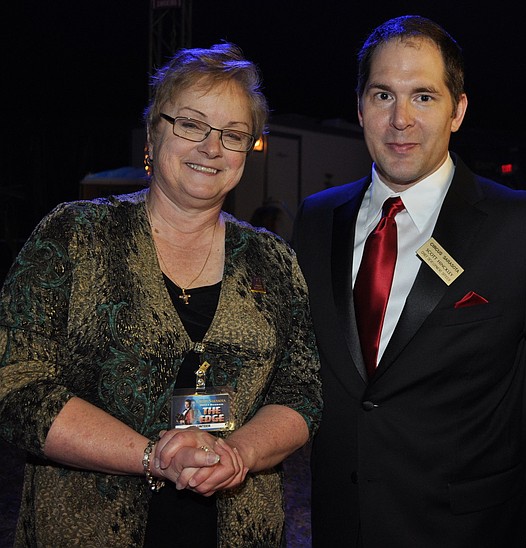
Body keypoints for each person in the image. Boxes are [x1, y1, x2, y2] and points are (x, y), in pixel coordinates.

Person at [0, 42, 322, 546]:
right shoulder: (73, 236)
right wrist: (152, 456)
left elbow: (300, 393)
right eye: (191, 124)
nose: (211, 147)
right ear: (153, 132)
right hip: (86, 528)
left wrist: (237, 454)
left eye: (234, 135)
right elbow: (15, 384)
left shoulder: (274, 261)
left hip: (240, 530)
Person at [293, 15, 526, 547]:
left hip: (463, 527)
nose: (401, 119)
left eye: (423, 96)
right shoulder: (316, 217)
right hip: (340, 522)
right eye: (382, 95)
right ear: (359, 107)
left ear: (457, 110)